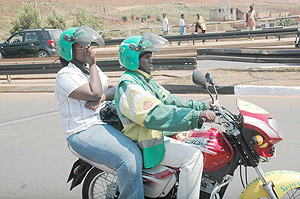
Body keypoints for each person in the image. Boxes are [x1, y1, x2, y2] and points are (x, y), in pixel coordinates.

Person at [115, 33, 216, 199]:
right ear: (132, 59)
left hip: (158, 135)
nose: (151, 60)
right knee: (193, 157)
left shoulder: (145, 80)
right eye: (147, 56)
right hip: (144, 143)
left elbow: (169, 100)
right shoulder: (129, 84)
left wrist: (201, 106)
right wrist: (195, 116)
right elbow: (154, 115)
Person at [55, 26, 144, 198]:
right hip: (83, 130)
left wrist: (102, 97)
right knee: (129, 159)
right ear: (69, 50)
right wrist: (93, 64)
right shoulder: (65, 75)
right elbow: (94, 92)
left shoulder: (91, 71)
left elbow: (114, 88)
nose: (88, 49)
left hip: (104, 123)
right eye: (82, 46)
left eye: (89, 45)